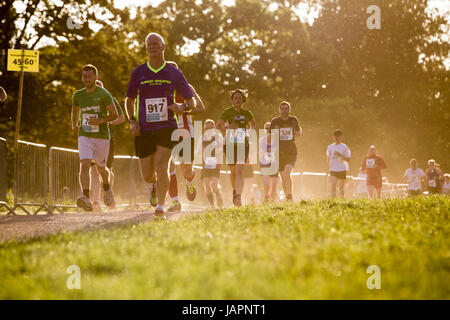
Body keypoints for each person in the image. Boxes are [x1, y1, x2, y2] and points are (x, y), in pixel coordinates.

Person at [125, 33, 196, 218]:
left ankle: (160, 207)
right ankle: (155, 186)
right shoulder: (138, 72)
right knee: (147, 175)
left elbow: (192, 102)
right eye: (150, 44)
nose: (153, 46)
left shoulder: (173, 72)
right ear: (146, 48)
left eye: (156, 43)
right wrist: (132, 120)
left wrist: (182, 106)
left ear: (163, 47)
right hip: (145, 129)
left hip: (167, 126)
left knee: (161, 164)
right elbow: (129, 100)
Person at [71, 64, 118, 211]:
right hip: (84, 135)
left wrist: (100, 121)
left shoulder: (104, 94)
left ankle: (107, 186)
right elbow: (74, 111)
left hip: (102, 137)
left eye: (89, 76)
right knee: (84, 164)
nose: (86, 80)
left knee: (101, 169)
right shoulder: (78, 95)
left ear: (95, 77)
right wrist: (74, 124)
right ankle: (86, 197)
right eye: (84, 77)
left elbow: (114, 114)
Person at [165, 60, 206, 212]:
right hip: (166, 132)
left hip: (186, 131)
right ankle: (175, 201)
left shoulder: (187, 88)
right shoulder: (160, 89)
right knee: (168, 167)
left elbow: (201, 108)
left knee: (187, 170)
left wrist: (184, 110)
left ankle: (190, 181)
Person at [90, 80, 126, 211]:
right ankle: (95, 201)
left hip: (108, 139)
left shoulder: (111, 100)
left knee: (107, 170)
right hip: (92, 139)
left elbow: (122, 118)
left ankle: (108, 193)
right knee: (94, 170)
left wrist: (109, 122)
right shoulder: (87, 102)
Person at [216, 89, 255, 206]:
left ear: (243, 100)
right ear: (232, 101)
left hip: (243, 144)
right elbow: (218, 125)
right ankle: (235, 191)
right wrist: (228, 128)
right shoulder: (227, 112)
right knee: (233, 172)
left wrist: (249, 132)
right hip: (229, 145)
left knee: (240, 170)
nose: (238, 100)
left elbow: (253, 124)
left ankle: (238, 196)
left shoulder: (247, 113)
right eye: (235, 98)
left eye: (240, 98)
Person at [270, 101, 301, 201]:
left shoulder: (293, 119)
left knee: (287, 173)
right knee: (283, 177)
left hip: (291, 149)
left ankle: (290, 196)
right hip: (279, 150)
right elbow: (270, 136)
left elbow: (299, 129)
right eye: (282, 108)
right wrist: (275, 131)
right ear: (279, 110)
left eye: (286, 108)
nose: (284, 110)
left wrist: (298, 132)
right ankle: (287, 197)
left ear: (289, 109)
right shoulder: (275, 121)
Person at [201, 119, 223, 209]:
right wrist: (203, 164)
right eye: (207, 126)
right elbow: (203, 151)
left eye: (211, 125)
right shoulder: (203, 137)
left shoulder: (218, 136)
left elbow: (220, 150)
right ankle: (212, 205)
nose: (209, 127)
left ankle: (218, 196)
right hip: (206, 163)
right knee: (207, 186)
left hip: (216, 162)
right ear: (205, 127)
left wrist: (219, 162)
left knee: (214, 185)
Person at [326, 129, 351, 198]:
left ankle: (341, 200)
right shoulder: (330, 147)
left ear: (341, 137)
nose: (336, 138)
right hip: (333, 169)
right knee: (333, 186)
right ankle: (333, 201)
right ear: (333, 137)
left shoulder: (345, 147)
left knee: (341, 188)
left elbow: (348, 159)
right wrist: (329, 164)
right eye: (335, 136)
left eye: (338, 136)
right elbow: (328, 158)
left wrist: (340, 155)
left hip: (342, 169)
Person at [259, 122, 279, 202]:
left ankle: (274, 202)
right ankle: (266, 198)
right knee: (266, 185)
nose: (268, 130)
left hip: (274, 164)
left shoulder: (277, 140)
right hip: (264, 164)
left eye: (269, 128)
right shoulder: (261, 140)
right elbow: (260, 152)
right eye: (266, 128)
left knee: (273, 186)